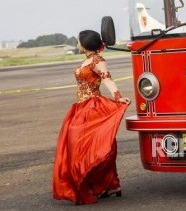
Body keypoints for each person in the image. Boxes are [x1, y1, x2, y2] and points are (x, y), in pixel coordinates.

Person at [52, 30, 131, 205]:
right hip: (80, 107)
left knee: (97, 147)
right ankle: (110, 185)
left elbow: (107, 79)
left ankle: (106, 185)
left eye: (78, 42)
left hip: (92, 107)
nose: (77, 45)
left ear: (85, 44)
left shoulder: (98, 61)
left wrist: (118, 96)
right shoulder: (87, 60)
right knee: (80, 146)